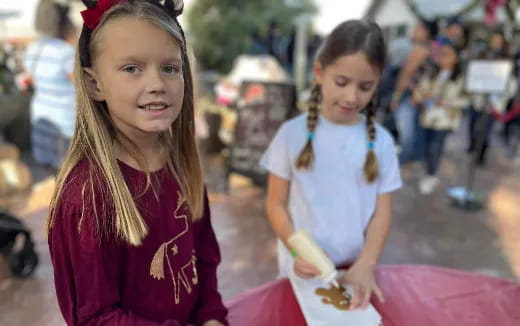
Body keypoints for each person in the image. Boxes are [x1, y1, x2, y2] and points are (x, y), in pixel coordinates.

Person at [46, 1, 227, 325]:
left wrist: (211, 316)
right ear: (94, 83)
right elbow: (96, 317)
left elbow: (203, 258)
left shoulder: (182, 164)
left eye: (170, 68)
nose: (157, 84)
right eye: (132, 68)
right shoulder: (86, 195)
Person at [261, 20, 402, 311]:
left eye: (365, 87)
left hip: (356, 269)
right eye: (341, 82)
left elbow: (382, 212)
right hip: (301, 268)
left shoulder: (383, 142)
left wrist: (367, 262)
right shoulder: (290, 135)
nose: (352, 97)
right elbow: (276, 204)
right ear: (319, 73)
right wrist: (294, 247)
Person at [24, 0, 77, 170]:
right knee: (68, 170)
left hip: (42, 117)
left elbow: (32, 78)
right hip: (63, 124)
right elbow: (81, 85)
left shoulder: (34, 48)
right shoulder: (65, 52)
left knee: (50, 170)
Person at [413, 41, 468, 194]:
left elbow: (465, 100)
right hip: (428, 116)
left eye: (447, 55)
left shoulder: (460, 78)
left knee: (435, 147)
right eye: (441, 54)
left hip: (445, 119)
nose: (442, 58)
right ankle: (428, 170)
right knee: (424, 145)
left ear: (456, 58)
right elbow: (419, 90)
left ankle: (431, 175)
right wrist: (422, 97)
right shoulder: (432, 73)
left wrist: (446, 102)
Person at [391, 19, 438, 164]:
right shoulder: (432, 49)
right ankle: (413, 159)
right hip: (420, 97)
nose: (415, 30)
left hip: (409, 95)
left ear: (427, 33)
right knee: (414, 130)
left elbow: (406, 74)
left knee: (407, 133)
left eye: (419, 28)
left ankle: (404, 161)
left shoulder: (420, 50)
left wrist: (396, 97)